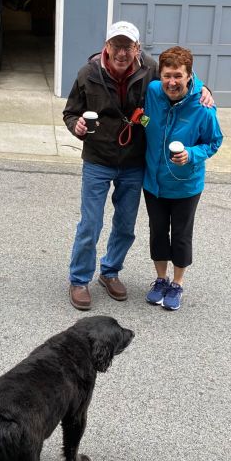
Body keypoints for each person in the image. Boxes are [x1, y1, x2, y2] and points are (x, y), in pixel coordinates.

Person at [62, 21, 212, 311]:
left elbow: (179, 76)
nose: (121, 52)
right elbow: (71, 112)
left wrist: (204, 88)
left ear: (137, 48)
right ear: (107, 47)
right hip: (98, 159)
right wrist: (76, 125)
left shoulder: (150, 68)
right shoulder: (88, 73)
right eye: (116, 45)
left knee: (126, 225)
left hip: (133, 161)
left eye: (127, 46)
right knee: (90, 223)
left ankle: (110, 272)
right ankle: (79, 279)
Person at [140, 46, 222, 311]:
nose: (171, 82)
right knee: (157, 232)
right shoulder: (152, 91)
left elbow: (214, 141)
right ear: (160, 75)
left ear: (189, 76)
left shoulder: (203, 107)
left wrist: (192, 154)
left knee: (182, 236)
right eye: (167, 75)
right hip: (154, 181)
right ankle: (160, 279)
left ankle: (177, 283)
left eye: (177, 76)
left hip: (186, 185)